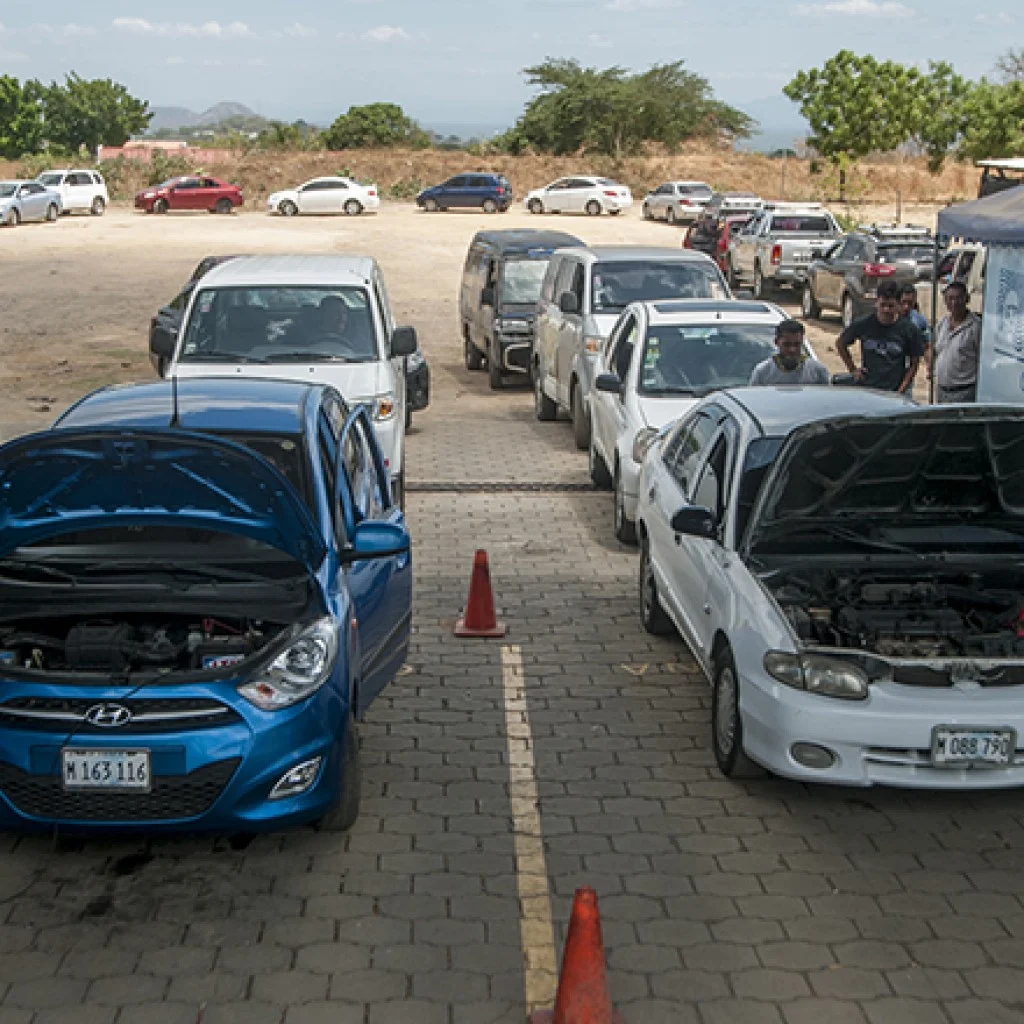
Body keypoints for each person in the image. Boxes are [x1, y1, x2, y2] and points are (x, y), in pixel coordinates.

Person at [836, 279, 923, 393]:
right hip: (868, 388)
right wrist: (853, 369)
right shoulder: (864, 324)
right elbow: (841, 343)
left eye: (890, 306)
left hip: (894, 389)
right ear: (876, 302)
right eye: (882, 305)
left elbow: (914, 362)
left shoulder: (909, 329)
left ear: (898, 304)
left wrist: (902, 389)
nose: (886, 310)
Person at [932, 279, 982, 403]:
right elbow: (935, 349)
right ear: (945, 301)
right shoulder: (942, 323)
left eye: (958, 298)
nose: (954, 303)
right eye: (950, 298)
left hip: (965, 393)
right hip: (942, 391)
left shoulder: (975, 327)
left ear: (967, 299)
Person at [749, 320, 830, 386]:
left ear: (802, 342)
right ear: (776, 342)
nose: (792, 350)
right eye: (786, 344)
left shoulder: (817, 371)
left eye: (797, 344)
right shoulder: (762, 372)